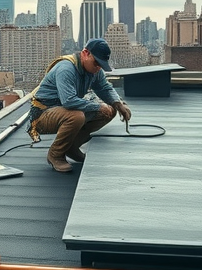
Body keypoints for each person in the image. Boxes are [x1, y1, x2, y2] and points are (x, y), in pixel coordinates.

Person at [28, 37, 132, 173]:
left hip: (63, 110)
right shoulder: (66, 69)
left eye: (101, 65)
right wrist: (99, 106)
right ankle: (56, 155)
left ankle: (72, 147)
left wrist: (118, 104)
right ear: (85, 54)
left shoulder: (94, 70)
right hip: (43, 114)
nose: (98, 68)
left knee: (109, 111)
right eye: (96, 63)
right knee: (76, 116)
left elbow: (104, 88)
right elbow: (69, 101)